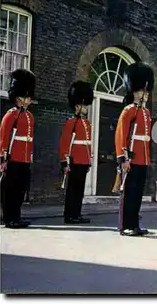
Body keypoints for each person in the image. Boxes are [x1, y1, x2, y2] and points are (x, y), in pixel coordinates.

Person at [115, 61, 154, 237]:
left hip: (142, 158)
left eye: (146, 92)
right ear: (133, 91)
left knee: (137, 194)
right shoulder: (129, 110)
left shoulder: (145, 113)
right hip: (131, 158)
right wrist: (123, 158)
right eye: (140, 91)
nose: (143, 95)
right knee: (128, 193)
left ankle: (135, 224)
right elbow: (121, 135)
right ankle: (125, 225)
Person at [0, 69, 36, 229]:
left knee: (21, 189)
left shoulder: (30, 116)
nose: (28, 100)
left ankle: (17, 216)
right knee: (11, 190)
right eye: (25, 97)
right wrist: (3, 159)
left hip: (25, 159)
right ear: (17, 97)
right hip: (13, 158)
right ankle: (9, 218)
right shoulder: (11, 114)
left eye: (29, 97)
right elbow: (3, 138)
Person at [60, 81, 94, 224]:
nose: (86, 108)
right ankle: (69, 215)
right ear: (77, 106)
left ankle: (77, 214)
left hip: (83, 161)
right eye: (84, 106)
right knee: (72, 190)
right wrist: (65, 161)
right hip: (74, 161)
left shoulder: (86, 123)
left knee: (79, 191)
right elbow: (64, 143)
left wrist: (89, 160)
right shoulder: (71, 123)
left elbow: (87, 144)